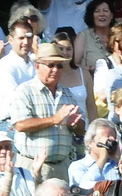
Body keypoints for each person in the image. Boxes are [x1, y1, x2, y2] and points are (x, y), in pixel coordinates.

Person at [12, 42, 85, 182]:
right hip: (33, 165)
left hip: (62, 166)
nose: (55, 70)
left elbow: (82, 128)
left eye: (59, 66)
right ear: (37, 66)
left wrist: (74, 124)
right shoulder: (25, 91)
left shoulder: (67, 93)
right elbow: (20, 125)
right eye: (51, 65)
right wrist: (54, 119)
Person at [66, 118, 120, 191]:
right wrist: (102, 159)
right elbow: (83, 186)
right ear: (90, 142)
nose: (110, 142)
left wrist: (119, 160)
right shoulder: (77, 166)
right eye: (106, 138)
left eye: (113, 139)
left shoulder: (117, 165)